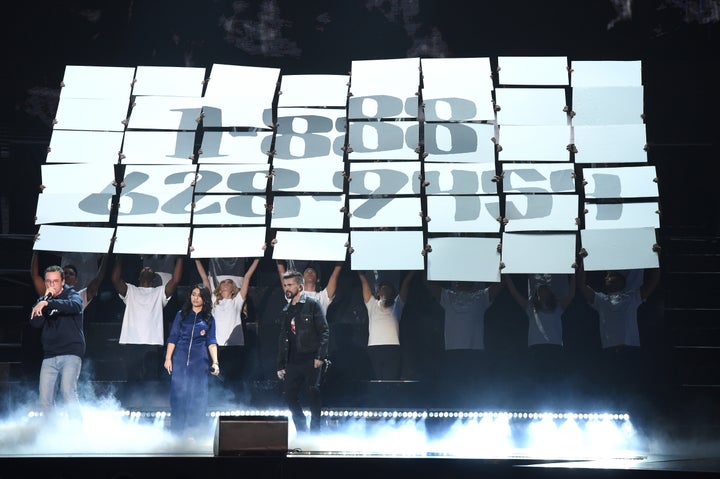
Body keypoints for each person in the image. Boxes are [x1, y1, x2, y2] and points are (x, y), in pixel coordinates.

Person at [577, 249, 660, 401]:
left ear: (622, 282)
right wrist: (583, 261)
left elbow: (653, 281)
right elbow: (582, 286)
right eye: (607, 276)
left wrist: (654, 256)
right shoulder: (601, 300)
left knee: (633, 391)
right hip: (609, 352)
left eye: (612, 276)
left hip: (630, 351)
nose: (608, 278)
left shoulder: (632, 297)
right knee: (608, 392)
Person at [426, 277, 501, 397]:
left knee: (474, 391)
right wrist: (426, 260)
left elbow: (500, 284)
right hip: (453, 352)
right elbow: (427, 283)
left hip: (474, 352)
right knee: (453, 390)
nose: (463, 280)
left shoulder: (481, 296)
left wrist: (502, 266)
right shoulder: (447, 295)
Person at [112, 254, 183, 381]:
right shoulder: (131, 290)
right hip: (132, 341)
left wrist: (180, 257)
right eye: (144, 269)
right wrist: (119, 256)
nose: (147, 268)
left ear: (154, 280)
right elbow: (115, 279)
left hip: (152, 342)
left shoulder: (159, 292)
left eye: (151, 270)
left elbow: (176, 280)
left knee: (150, 380)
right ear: (139, 277)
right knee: (132, 379)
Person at [503, 272, 575, 395]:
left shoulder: (558, 306)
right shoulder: (531, 307)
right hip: (536, 349)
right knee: (536, 382)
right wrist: (505, 274)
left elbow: (571, 294)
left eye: (545, 289)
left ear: (550, 293)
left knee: (554, 381)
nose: (542, 291)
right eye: (540, 289)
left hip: (554, 348)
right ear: (536, 294)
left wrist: (573, 274)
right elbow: (514, 293)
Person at [276, 269, 329, 433]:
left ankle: (315, 430)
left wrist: (320, 355)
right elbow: (284, 338)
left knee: (313, 392)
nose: (287, 288)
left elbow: (324, 331)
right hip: (293, 360)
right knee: (289, 395)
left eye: (290, 285)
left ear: (300, 286)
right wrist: (281, 364)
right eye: (285, 285)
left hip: (311, 357)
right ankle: (301, 428)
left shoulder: (312, 304)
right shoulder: (286, 310)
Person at [164, 285, 220, 438]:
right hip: (180, 361)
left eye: (199, 295)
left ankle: (194, 433)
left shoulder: (208, 319)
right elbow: (173, 337)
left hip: (199, 363)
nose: (195, 298)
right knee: (177, 396)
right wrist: (168, 358)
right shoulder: (181, 315)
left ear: (204, 299)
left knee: (197, 398)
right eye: (193, 294)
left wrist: (215, 362)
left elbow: (211, 341)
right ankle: (176, 433)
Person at [29, 265, 84, 419]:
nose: (51, 285)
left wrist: (49, 304)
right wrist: (45, 301)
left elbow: (75, 306)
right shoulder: (43, 300)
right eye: (48, 282)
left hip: (71, 352)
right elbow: (35, 323)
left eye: (55, 281)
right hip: (50, 354)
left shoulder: (72, 295)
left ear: (62, 282)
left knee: (67, 391)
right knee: (44, 399)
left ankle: (77, 432)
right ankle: (51, 434)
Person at [195, 257, 260, 380]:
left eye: (229, 282)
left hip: (234, 344)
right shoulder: (213, 300)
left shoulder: (237, 301)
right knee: (216, 379)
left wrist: (257, 258)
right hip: (216, 345)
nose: (225, 283)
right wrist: (196, 258)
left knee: (234, 378)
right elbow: (205, 278)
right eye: (223, 282)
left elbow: (247, 277)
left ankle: (237, 399)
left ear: (233, 287)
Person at [357, 270, 415, 380]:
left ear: (393, 293)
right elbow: (364, 284)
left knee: (391, 381)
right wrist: (359, 271)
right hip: (374, 348)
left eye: (388, 288)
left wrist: (415, 269)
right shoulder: (372, 304)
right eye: (383, 288)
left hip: (392, 348)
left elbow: (406, 283)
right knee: (375, 381)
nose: (385, 290)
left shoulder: (397, 304)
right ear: (378, 292)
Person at [31, 251, 107, 311]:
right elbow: (35, 277)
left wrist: (107, 254)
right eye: (65, 273)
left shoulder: (79, 297)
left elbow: (98, 278)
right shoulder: (50, 296)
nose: (67, 275)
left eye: (71, 274)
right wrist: (36, 251)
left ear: (76, 280)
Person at [276, 261, 343, 316]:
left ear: (318, 279)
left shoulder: (323, 297)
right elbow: (282, 273)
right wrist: (276, 250)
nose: (309, 273)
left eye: (312, 272)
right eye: (307, 271)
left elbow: (335, 274)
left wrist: (343, 253)